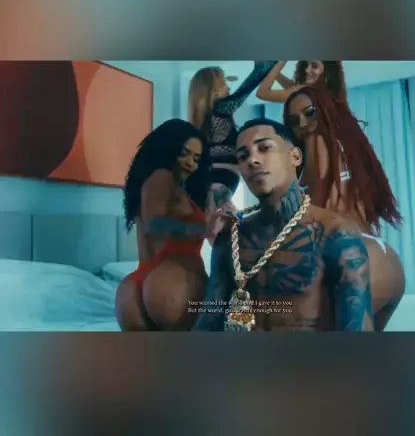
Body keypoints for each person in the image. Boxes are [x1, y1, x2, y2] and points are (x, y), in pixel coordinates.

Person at [256, 61, 405, 330]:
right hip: (385, 257)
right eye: (294, 121)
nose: (303, 124)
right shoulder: (345, 135)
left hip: (350, 250)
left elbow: (319, 194)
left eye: (309, 114)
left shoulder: (316, 138)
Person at [193, 118, 374, 332]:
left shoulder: (335, 233)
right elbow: (209, 321)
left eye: (264, 148)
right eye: (243, 156)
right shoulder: (231, 237)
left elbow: (357, 332)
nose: (252, 160)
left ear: (295, 156)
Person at [115, 119, 211, 331]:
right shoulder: (163, 176)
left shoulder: (151, 183)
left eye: (196, 158)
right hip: (172, 282)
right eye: (184, 153)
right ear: (167, 149)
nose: (190, 163)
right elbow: (155, 225)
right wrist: (205, 228)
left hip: (135, 288)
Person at [188, 62, 277, 237]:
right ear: (213, 89)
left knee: (216, 228)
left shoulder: (200, 121)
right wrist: (268, 64)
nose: (228, 88)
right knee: (228, 227)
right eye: (223, 84)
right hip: (222, 179)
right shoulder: (221, 109)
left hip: (214, 180)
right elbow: (245, 89)